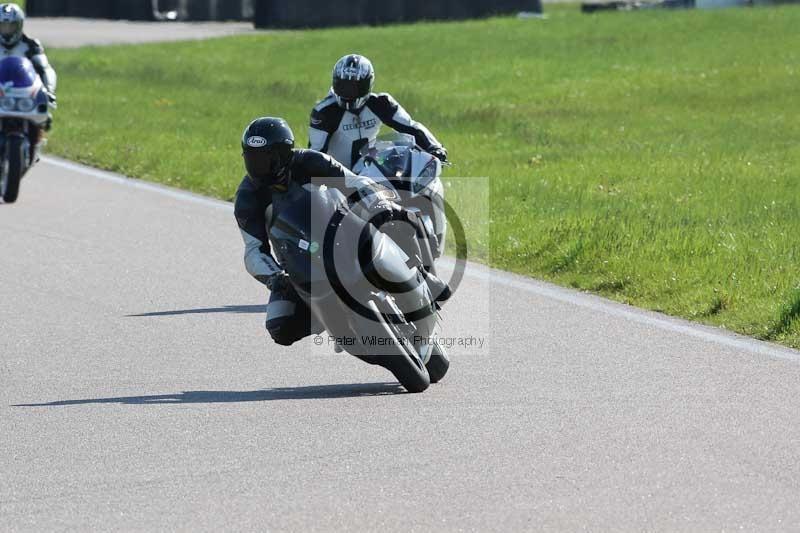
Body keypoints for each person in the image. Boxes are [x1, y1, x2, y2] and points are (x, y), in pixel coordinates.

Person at [235, 117, 450, 347]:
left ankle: (420, 274)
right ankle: (332, 321)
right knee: (280, 326)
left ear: (285, 152)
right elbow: (254, 250)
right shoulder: (247, 198)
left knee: (396, 218)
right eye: (252, 158)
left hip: (342, 228)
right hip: (298, 262)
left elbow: (355, 181)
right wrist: (275, 278)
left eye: (266, 158)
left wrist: (379, 202)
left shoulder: (309, 161)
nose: (259, 166)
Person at [308, 54, 447, 170]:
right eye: (344, 86)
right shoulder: (324, 112)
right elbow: (316, 153)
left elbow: (411, 127)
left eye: (354, 88)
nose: (348, 94)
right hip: (336, 175)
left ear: (367, 85)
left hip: (369, 169)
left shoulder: (381, 103)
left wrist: (434, 147)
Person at [0, 3, 57, 163]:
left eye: (11, 26)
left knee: (43, 118)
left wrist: (49, 90)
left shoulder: (31, 45)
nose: (7, 30)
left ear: (19, 25)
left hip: (23, 93)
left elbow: (45, 69)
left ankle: (34, 146)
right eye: (3, 26)